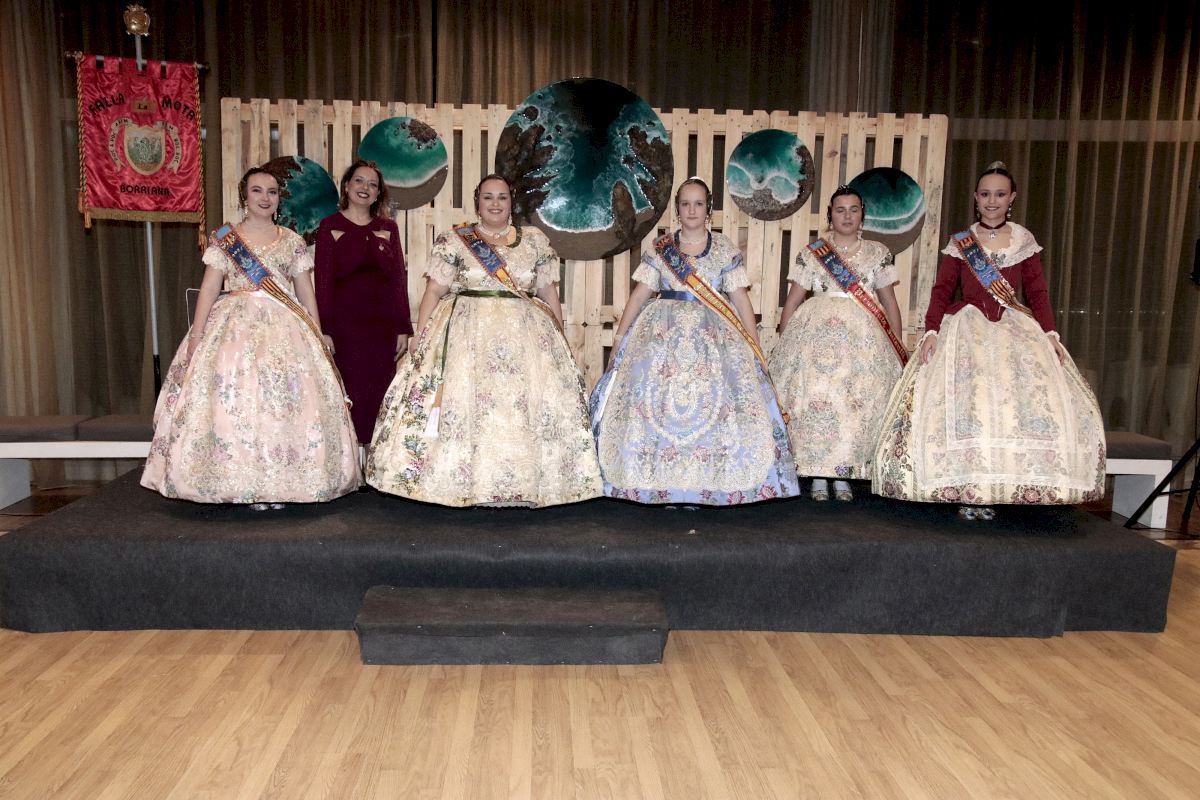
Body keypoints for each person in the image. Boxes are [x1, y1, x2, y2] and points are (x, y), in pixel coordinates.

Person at [872, 162, 1105, 519]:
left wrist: (1050, 334)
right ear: (975, 198)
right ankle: (969, 488)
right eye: (985, 194)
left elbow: (1038, 293)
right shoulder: (961, 243)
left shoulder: (1023, 240)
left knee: (1015, 408)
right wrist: (932, 331)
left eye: (999, 194)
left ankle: (1007, 486)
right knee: (972, 407)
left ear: (1012, 198)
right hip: (966, 329)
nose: (991, 201)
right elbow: (942, 290)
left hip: (1015, 331)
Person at [366, 174, 602, 507]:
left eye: (502, 197)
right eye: (488, 197)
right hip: (467, 338)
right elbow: (434, 291)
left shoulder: (534, 241)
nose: (495, 203)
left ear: (511, 202)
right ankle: (461, 483)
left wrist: (559, 334)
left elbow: (549, 292)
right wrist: (422, 334)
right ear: (478, 202)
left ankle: (525, 483)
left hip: (526, 339)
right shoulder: (455, 240)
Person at [142, 167, 361, 508]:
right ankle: (232, 481)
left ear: (278, 199)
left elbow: (305, 292)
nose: (265, 197)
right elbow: (210, 287)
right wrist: (197, 334)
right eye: (257, 190)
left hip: (286, 328)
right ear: (245, 195)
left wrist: (317, 333)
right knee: (233, 401)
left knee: (284, 405)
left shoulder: (291, 240)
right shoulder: (227, 239)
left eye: (272, 192)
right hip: (233, 328)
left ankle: (283, 483)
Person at [589, 177, 798, 505]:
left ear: (708, 209)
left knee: (712, 410)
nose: (691, 210)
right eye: (685, 204)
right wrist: (619, 338)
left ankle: (705, 484)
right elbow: (640, 295)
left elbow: (740, 300)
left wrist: (754, 345)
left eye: (698, 204)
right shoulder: (661, 248)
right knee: (658, 408)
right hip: (663, 339)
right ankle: (665, 484)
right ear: (677, 209)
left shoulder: (725, 248)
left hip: (714, 340)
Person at [770, 186, 906, 501]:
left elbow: (889, 302)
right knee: (817, 398)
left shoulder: (878, 253)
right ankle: (818, 474)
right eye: (840, 210)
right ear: (830, 214)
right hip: (815, 337)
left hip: (862, 338)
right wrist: (785, 340)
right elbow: (793, 300)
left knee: (852, 402)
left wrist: (897, 346)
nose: (847, 216)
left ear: (862, 215)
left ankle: (844, 473)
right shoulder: (812, 253)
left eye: (853, 210)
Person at [315, 159, 413, 444]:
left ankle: (374, 461)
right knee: (347, 394)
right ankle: (349, 462)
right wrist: (324, 330)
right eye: (359, 180)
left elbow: (398, 279)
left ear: (378, 193)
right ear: (347, 186)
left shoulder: (388, 227)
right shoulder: (329, 226)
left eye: (372, 184)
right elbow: (323, 282)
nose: (365, 187)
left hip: (382, 329)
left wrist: (403, 327)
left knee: (380, 396)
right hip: (344, 329)